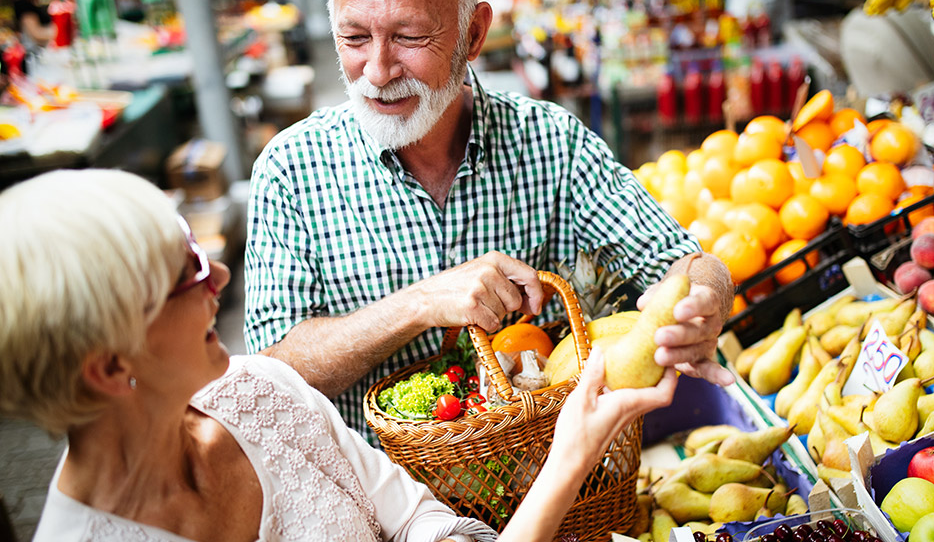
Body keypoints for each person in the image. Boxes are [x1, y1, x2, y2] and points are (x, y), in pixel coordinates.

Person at [0, 168, 678, 542]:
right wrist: (567, 462)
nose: (221, 280)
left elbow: (417, 520)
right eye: (185, 274)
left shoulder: (261, 393)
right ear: (111, 367)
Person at [245, 0, 735, 444]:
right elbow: (269, 378)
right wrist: (417, 305)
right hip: (377, 511)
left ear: (474, 33)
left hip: (550, 497)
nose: (377, 71)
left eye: (410, 36)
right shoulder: (292, 170)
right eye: (353, 37)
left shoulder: (552, 144)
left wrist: (706, 303)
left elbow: (690, 263)